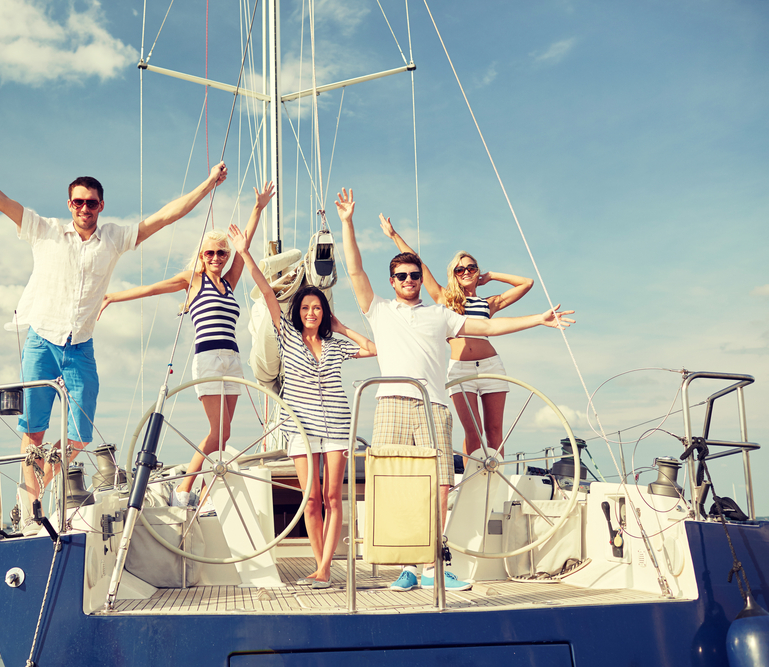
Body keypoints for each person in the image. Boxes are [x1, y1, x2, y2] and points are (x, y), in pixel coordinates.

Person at [0, 133, 227, 528]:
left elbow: (165, 217)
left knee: (79, 435)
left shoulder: (113, 238)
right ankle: (30, 512)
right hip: (41, 341)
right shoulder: (44, 230)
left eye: (92, 202)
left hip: (80, 347)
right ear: (70, 205)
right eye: (78, 202)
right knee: (34, 434)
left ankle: (35, 493)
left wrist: (207, 184)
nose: (85, 208)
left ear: (101, 206)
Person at [335, 188, 573, 592]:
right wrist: (347, 223)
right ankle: (407, 566)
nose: (410, 281)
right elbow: (355, 271)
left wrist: (538, 318)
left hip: (433, 406)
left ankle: (432, 564)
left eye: (414, 275)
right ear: (391, 282)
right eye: (402, 277)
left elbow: (491, 327)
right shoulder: (377, 309)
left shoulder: (442, 314)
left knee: (441, 485)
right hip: (391, 403)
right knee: (395, 483)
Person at [99, 182, 275, 508]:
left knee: (224, 435)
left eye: (222, 252)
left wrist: (258, 208)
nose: (216, 258)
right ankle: (183, 489)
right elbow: (152, 288)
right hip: (208, 357)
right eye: (210, 252)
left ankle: (196, 489)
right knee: (216, 431)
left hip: (232, 359)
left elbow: (243, 244)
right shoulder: (193, 280)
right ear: (202, 255)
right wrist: (112, 296)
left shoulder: (229, 282)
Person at [230, 223, 377, 589]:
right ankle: (319, 565)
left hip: (336, 427)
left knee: (332, 496)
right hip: (298, 427)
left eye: (318, 308)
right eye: (307, 307)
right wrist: (245, 251)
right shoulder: (288, 336)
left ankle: (325, 569)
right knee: (310, 499)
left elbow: (374, 348)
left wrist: (341, 327)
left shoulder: (335, 343)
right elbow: (266, 292)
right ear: (299, 311)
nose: (311, 312)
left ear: (324, 312)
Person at [379, 217, 533, 456]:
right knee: (473, 431)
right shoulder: (444, 298)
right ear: (454, 273)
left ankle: (495, 485)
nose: (466, 272)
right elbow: (419, 264)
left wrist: (491, 276)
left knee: (495, 432)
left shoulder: (488, 303)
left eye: (471, 268)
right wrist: (394, 236)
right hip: (460, 369)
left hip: (491, 366)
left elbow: (527, 283)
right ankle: (472, 481)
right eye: (460, 269)